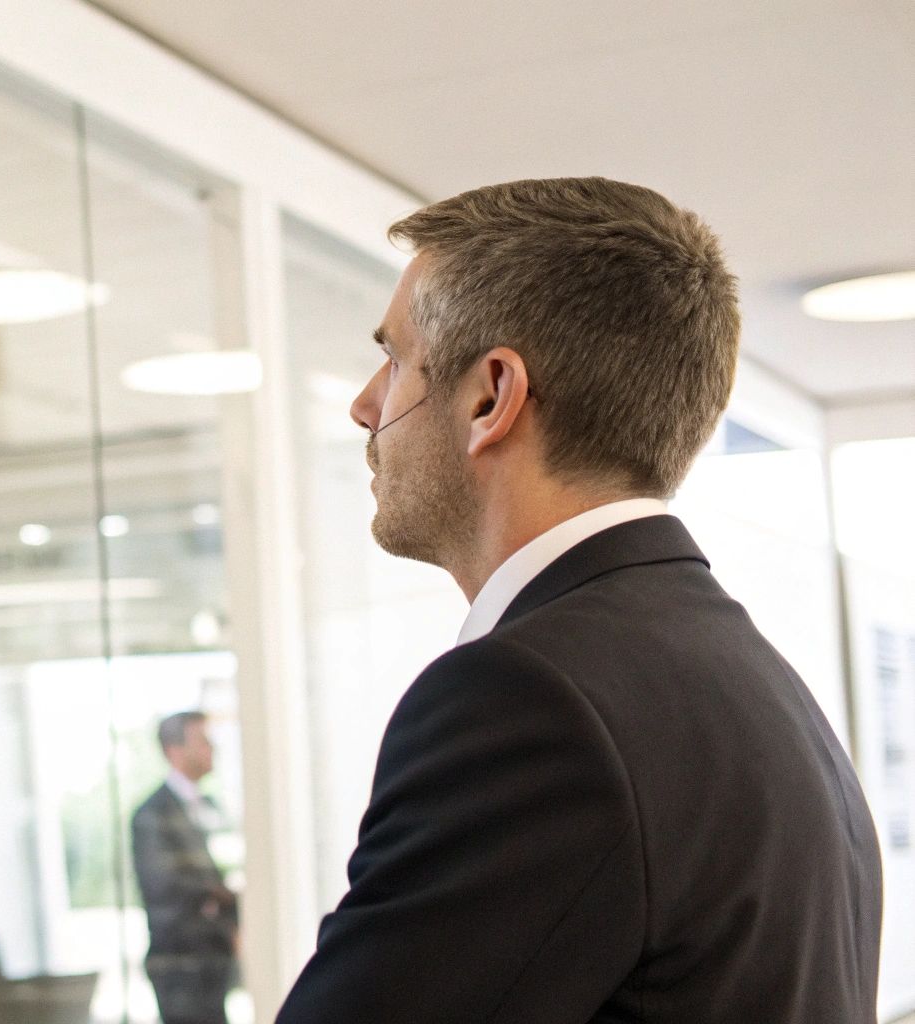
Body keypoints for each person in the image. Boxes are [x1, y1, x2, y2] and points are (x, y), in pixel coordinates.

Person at [277, 178, 881, 1023]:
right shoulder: (753, 679)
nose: (364, 405)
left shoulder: (526, 701)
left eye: (395, 361)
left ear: (491, 396)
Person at [133, 711, 239, 1024]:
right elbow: (164, 885)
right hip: (180, 967)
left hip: (214, 961)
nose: (213, 749)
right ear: (174, 750)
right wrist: (219, 894)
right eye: (203, 741)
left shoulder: (212, 808)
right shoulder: (151, 815)